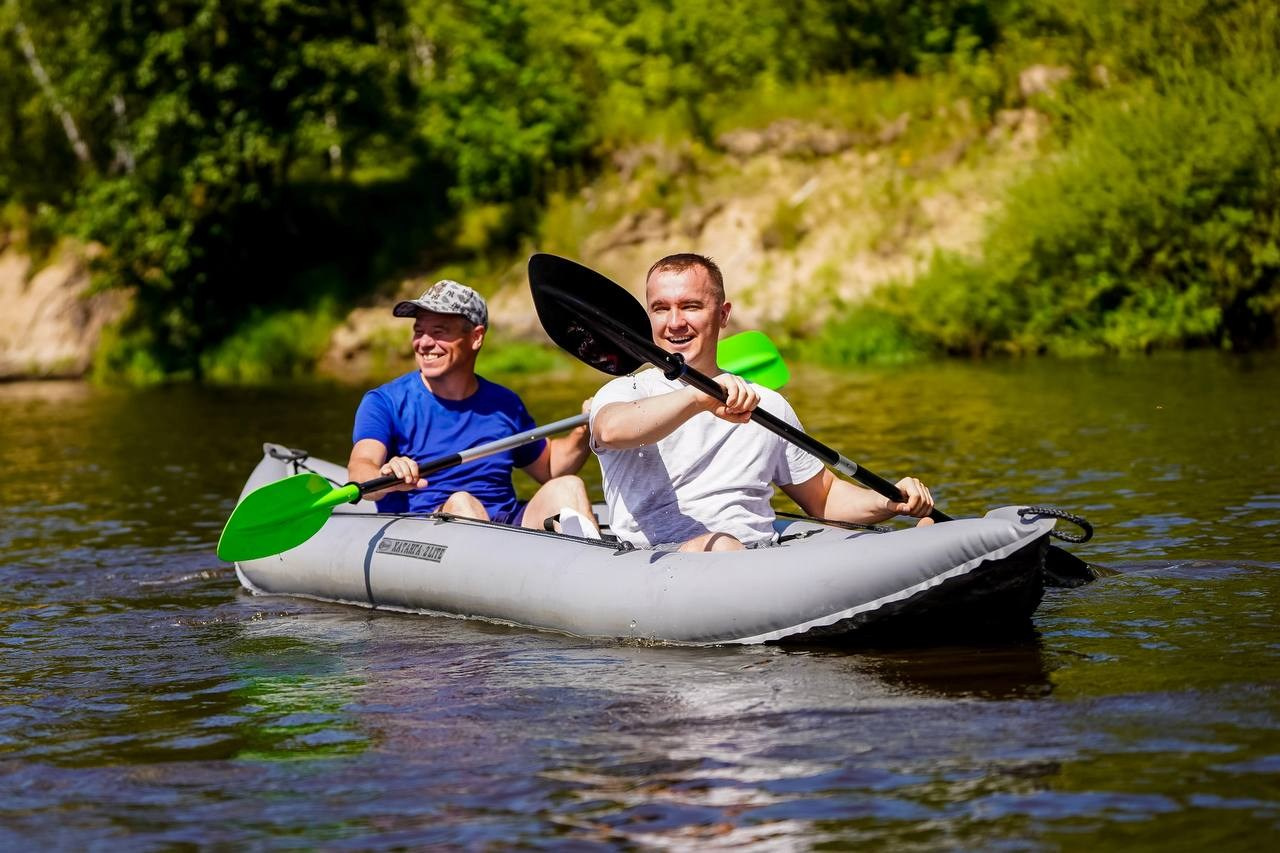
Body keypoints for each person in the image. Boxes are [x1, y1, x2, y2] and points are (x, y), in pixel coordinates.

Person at [588, 253, 934, 552]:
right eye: (661, 309)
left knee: (730, 547)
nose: (675, 322)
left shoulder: (767, 403)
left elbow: (823, 496)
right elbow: (611, 430)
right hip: (662, 561)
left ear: (723, 315)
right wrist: (699, 396)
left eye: (691, 306)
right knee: (722, 546)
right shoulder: (626, 391)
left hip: (757, 557)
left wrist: (888, 502)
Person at [348, 279, 599, 534]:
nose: (423, 343)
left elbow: (549, 468)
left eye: (438, 331)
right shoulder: (384, 402)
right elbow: (360, 468)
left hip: (505, 523)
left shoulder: (504, 403)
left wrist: (584, 429)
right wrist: (385, 475)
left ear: (476, 337)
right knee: (463, 503)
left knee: (569, 486)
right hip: (428, 527)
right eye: (418, 331)